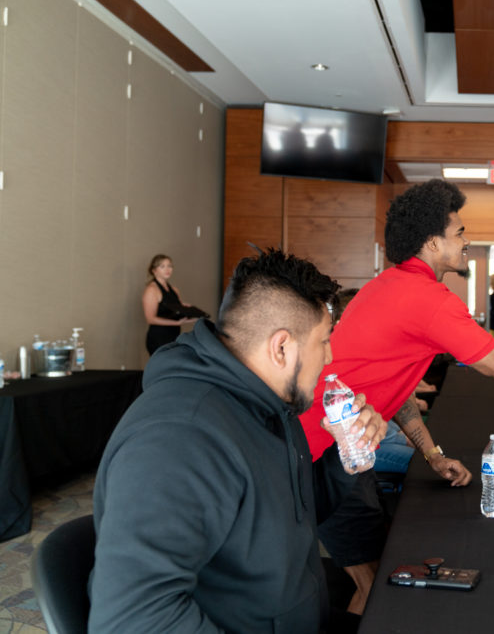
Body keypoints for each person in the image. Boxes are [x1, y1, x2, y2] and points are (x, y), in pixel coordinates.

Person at [300, 179, 494, 613]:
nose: (467, 242)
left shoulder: (388, 285)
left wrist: (432, 454)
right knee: (373, 586)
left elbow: (394, 394)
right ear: (431, 242)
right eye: (459, 233)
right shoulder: (426, 298)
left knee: (380, 572)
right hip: (323, 453)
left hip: (343, 445)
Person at [90, 249, 386, 632]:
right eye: (324, 341)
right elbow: (133, 619)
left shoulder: (269, 405)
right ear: (281, 347)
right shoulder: (178, 439)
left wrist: (345, 459)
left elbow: (293, 508)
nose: (329, 358)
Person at [142, 254, 198, 355]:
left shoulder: (175, 290)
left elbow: (177, 312)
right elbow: (150, 319)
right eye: (162, 266)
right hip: (158, 337)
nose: (167, 269)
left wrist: (191, 314)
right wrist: (176, 323)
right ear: (154, 270)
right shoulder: (151, 290)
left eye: (170, 266)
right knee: (162, 369)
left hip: (174, 336)